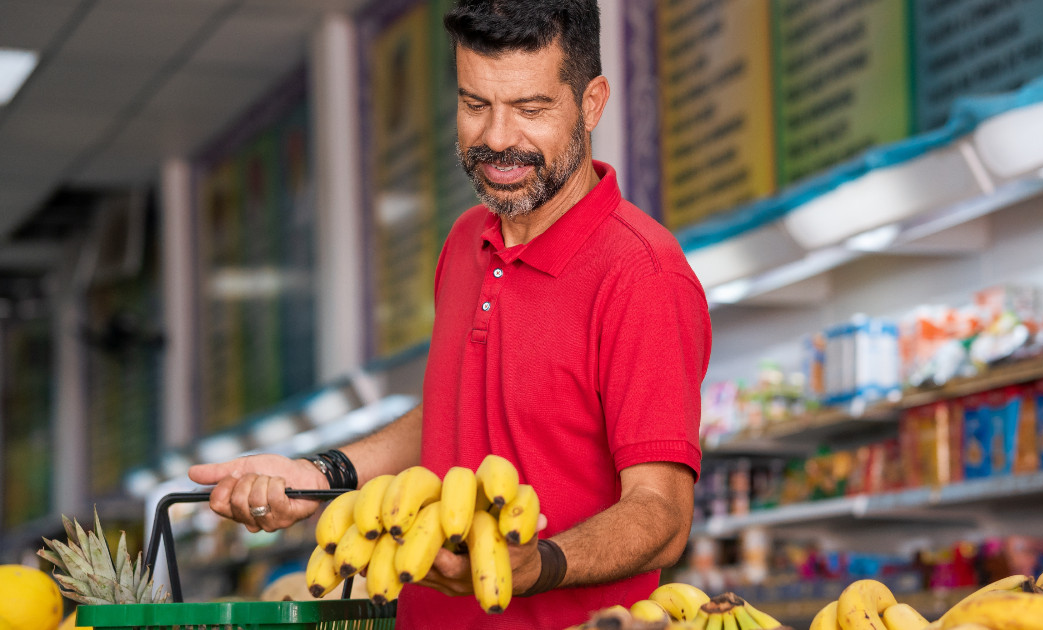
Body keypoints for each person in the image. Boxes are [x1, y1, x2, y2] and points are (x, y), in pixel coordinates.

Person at [188, 1, 712, 627]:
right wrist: (318, 475)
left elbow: (662, 515)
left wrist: (537, 564)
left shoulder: (641, 273)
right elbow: (452, 411)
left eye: (530, 108)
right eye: (474, 104)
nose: (497, 139)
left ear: (592, 102)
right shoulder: (467, 240)